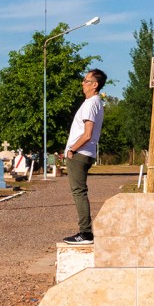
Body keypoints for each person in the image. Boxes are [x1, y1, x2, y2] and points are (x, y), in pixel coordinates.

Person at [61, 68, 106, 245]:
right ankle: (85, 232)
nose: (83, 83)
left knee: (79, 192)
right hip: (86, 152)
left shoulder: (90, 104)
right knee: (80, 191)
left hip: (80, 153)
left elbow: (87, 134)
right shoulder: (95, 103)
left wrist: (72, 149)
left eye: (86, 81)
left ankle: (85, 233)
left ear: (95, 85)